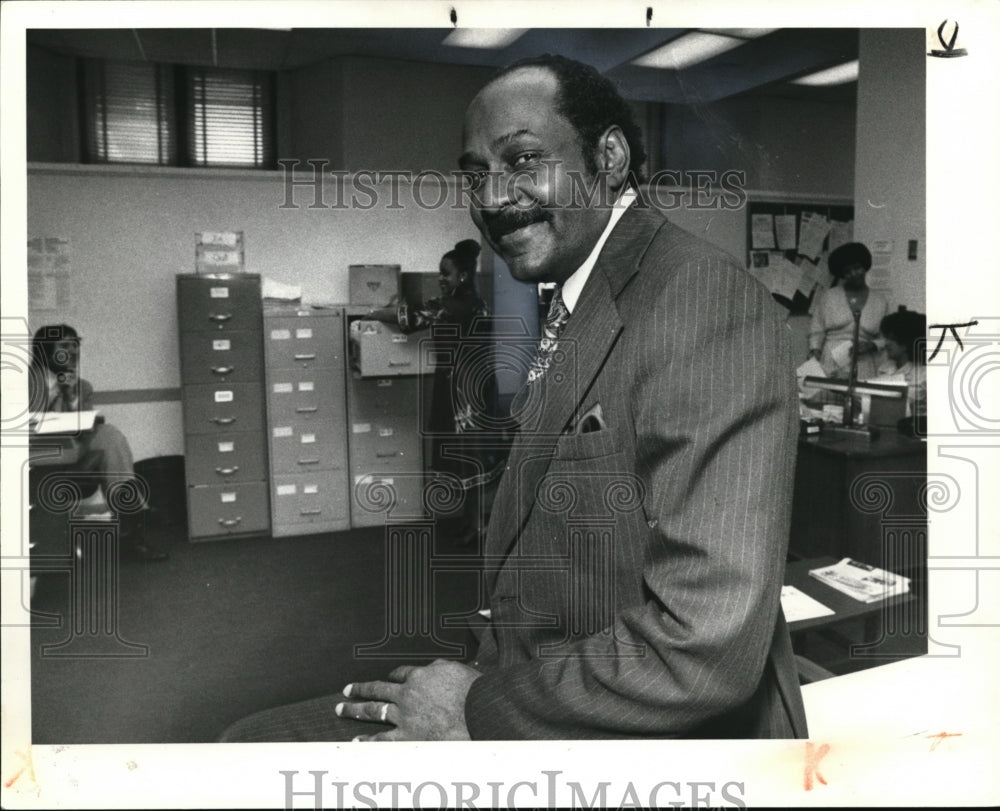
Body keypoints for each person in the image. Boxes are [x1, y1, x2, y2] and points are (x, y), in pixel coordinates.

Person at [221, 54, 806, 741]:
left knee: (251, 749)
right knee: (253, 742)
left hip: (656, 734)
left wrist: (477, 709)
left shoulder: (698, 299)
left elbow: (703, 645)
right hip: (542, 676)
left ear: (609, 157)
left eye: (522, 160)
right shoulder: (582, 294)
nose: (493, 199)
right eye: (476, 175)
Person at [369, 239, 501, 546]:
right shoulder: (470, 300)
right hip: (468, 384)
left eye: (446, 273)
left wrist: (375, 312)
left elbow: (413, 317)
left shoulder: (458, 304)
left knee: (470, 457)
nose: (441, 278)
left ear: (463, 277)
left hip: (465, 392)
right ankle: (474, 525)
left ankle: (479, 526)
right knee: (469, 459)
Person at [28, 324, 168, 562]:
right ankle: (132, 518)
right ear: (44, 350)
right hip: (32, 457)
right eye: (64, 346)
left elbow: (84, 432)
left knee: (108, 434)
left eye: (75, 346)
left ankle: (129, 527)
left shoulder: (82, 387)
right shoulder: (21, 383)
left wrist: (72, 398)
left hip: (71, 455)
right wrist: (50, 398)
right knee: (107, 437)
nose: (72, 352)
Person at [808, 241, 890, 380]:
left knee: (861, 399)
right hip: (831, 361)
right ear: (841, 274)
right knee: (831, 398)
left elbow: (887, 338)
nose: (853, 274)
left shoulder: (880, 301)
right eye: (847, 271)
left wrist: (872, 345)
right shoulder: (829, 296)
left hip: (865, 364)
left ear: (865, 266)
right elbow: (816, 331)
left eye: (857, 268)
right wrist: (815, 352)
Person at [875, 309, 927, 429]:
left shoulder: (924, 374)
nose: (886, 343)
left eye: (891, 339)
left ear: (906, 343)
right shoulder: (884, 368)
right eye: (886, 338)